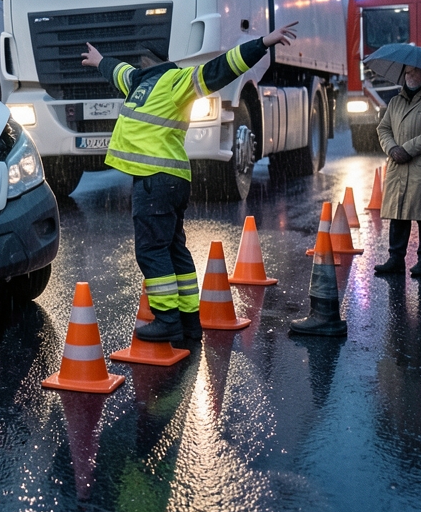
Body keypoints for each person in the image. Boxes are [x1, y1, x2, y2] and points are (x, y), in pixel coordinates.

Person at [80, 21, 299, 342]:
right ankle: (188, 321)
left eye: (141, 58)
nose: (137, 63)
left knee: (151, 250)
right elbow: (117, 71)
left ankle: (167, 319)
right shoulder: (138, 82)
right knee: (174, 248)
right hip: (171, 180)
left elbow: (222, 67)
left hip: (155, 180)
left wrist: (263, 43)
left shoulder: (175, 80)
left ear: (149, 59)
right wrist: (100, 61)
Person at [374, 64, 421, 278]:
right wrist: (392, 148)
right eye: (406, 71)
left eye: (414, 71)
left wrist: (407, 149)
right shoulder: (396, 101)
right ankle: (395, 259)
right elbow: (383, 128)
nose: (409, 74)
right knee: (398, 214)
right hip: (399, 164)